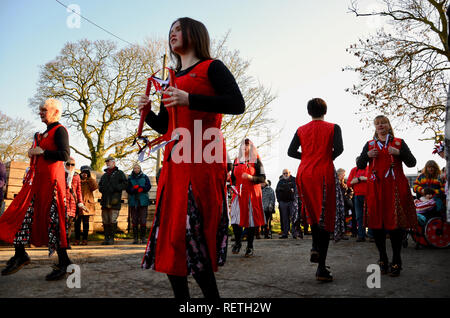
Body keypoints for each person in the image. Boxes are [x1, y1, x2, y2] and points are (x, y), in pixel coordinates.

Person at [138, 17, 245, 300]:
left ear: (194, 34)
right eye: (170, 30)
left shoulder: (213, 67)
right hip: (174, 166)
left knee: (194, 237)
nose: (172, 34)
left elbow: (237, 104)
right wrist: (148, 113)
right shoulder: (170, 80)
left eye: (178, 29)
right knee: (172, 238)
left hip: (202, 160)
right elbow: (167, 126)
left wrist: (190, 99)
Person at [0, 98, 72, 281]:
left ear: (55, 112)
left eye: (44, 110)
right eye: (40, 110)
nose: (40, 112)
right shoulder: (42, 134)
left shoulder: (60, 130)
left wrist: (43, 153)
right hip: (36, 184)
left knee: (54, 223)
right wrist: (33, 152)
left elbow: (65, 155)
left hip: (52, 186)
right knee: (19, 214)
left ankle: (64, 263)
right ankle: (20, 254)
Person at [288, 97, 344, 282]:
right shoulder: (333, 127)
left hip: (304, 172)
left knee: (311, 210)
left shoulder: (301, 129)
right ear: (325, 111)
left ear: (309, 112)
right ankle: (321, 268)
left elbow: (290, 151)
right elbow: (340, 149)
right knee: (325, 215)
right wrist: (326, 156)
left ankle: (314, 245)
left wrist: (307, 157)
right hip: (323, 172)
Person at [357, 115, 417, 277]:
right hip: (376, 188)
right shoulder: (370, 145)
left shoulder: (398, 142)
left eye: (383, 122)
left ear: (389, 126)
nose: (380, 125)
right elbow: (360, 165)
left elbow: (412, 163)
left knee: (396, 224)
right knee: (377, 224)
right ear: (375, 127)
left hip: (395, 188)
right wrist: (367, 156)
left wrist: (399, 153)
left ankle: (396, 260)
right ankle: (382, 257)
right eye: (377, 123)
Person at [230, 138, 266, 257]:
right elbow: (233, 179)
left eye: (247, 146)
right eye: (243, 146)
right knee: (235, 220)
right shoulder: (236, 160)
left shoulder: (257, 161)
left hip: (251, 193)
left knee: (250, 221)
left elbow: (262, 178)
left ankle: (250, 246)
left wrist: (251, 178)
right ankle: (238, 242)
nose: (244, 148)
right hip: (238, 193)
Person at [98, 156, 128, 245]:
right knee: (105, 220)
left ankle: (112, 238)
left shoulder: (119, 173)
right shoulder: (104, 175)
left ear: (113, 162)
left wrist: (116, 188)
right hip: (105, 201)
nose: (107, 163)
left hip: (114, 201)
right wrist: (102, 189)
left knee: (112, 220)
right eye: (106, 162)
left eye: (109, 162)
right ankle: (106, 238)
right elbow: (100, 186)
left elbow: (125, 184)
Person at [126, 163, 151, 244]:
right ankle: (135, 238)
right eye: (135, 168)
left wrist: (142, 189)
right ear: (133, 169)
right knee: (134, 219)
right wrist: (133, 189)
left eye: (137, 168)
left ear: (140, 169)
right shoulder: (130, 178)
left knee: (143, 219)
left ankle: (143, 238)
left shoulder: (145, 177)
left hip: (143, 201)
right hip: (133, 201)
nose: (136, 169)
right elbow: (127, 188)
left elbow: (148, 186)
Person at [347, 158, 371, 242]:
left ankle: (371, 235)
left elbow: (373, 180)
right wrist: (359, 179)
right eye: (357, 162)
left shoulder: (370, 168)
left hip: (369, 195)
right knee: (359, 216)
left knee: (370, 215)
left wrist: (362, 179)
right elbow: (349, 183)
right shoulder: (354, 170)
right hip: (357, 195)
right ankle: (361, 235)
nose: (359, 163)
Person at [64, 157, 85, 242]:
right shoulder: (61, 173)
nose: (70, 166)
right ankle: (62, 241)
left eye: (72, 164)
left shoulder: (76, 176)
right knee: (63, 222)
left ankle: (67, 241)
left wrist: (80, 202)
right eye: (68, 164)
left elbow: (79, 190)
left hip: (73, 202)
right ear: (65, 164)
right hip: (63, 201)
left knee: (69, 223)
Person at [77, 165, 98, 245]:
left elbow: (95, 187)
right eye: (83, 172)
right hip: (79, 203)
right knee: (77, 222)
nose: (84, 174)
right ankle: (77, 239)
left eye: (86, 172)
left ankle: (85, 239)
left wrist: (89, 178)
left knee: (86, 223)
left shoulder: (90, 180)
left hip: (88, 204)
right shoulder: (78, 179)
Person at [276, 169, 298, 239]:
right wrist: (279, 201)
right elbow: (277, 191)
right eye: (284, 173)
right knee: (284, 219)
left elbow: (297, 190)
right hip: (283, 202)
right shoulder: (280, 181)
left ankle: (295, 233)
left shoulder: (294, 180)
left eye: (286, 173)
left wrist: (295, 199)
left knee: (294, 218)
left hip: (292, 202)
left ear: (289, 173)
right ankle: (285, 233)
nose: (285, 174)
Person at [337, 168, 353, 239]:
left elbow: (350, 190)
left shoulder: (344, 183)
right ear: (339, 174)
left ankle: (342, 234)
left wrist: (349, 195)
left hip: (343, 204)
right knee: (337, 219)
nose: (344, 175)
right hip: (337, 203)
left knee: (343, 218)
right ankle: (336, 234)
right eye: (343, 174)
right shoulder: (335, 182)